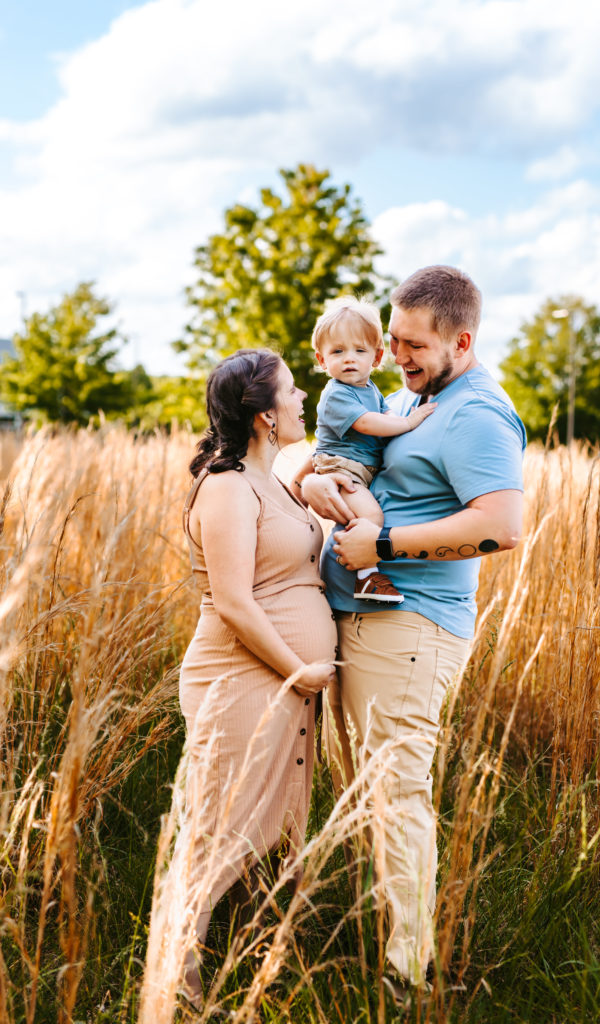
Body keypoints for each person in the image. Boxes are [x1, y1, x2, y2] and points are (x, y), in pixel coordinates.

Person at [301, 266, 526, 996]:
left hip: (413, 626)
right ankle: (385, 931)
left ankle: (409, 972)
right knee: (373, 789)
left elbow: (500, 525)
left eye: (413, 345)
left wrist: (384, 547)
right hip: (372, 622)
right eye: (392, 340)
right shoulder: (415, 395)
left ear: (461, 341)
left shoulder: (477, 414)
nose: (397, 355)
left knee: (398, 792)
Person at [169, 349, 337, 1006]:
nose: (304, 401)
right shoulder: (227, 485)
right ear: (266, 415)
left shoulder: (272, 479)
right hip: (240, 677)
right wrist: (298, 669)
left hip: (277, 681)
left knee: (260, 819)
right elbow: (236, 601)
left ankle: (259, 945)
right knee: (218, 818)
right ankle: (177, 970)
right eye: (294, 393)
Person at [311, 297, 436, 603]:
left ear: (377, 357)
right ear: (321, 360)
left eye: (359, 350)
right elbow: (368, 423)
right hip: (340, 468)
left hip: (357, 468)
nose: (349, 359)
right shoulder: (336, 394)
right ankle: (366, 576)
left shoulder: (370, 390)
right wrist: (409, 423)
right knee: (371, 515)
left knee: (365, 514)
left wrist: (397, 419)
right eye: (337, 351)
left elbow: (384, 414)